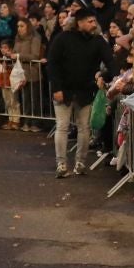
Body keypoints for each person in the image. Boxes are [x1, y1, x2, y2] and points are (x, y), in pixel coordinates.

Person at [47, 12, 109, 176]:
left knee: (84, 128)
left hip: (86, 90)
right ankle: (61, 164)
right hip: (64, 89)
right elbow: (52, 63)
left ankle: (80, 162)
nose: (94, 24)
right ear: (79, 23)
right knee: (62, 126)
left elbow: (110, 61)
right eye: (90, 21)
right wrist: (56, 88)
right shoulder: (63, 38)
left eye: (95, 20)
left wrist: (104, 77)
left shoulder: (98, 41)